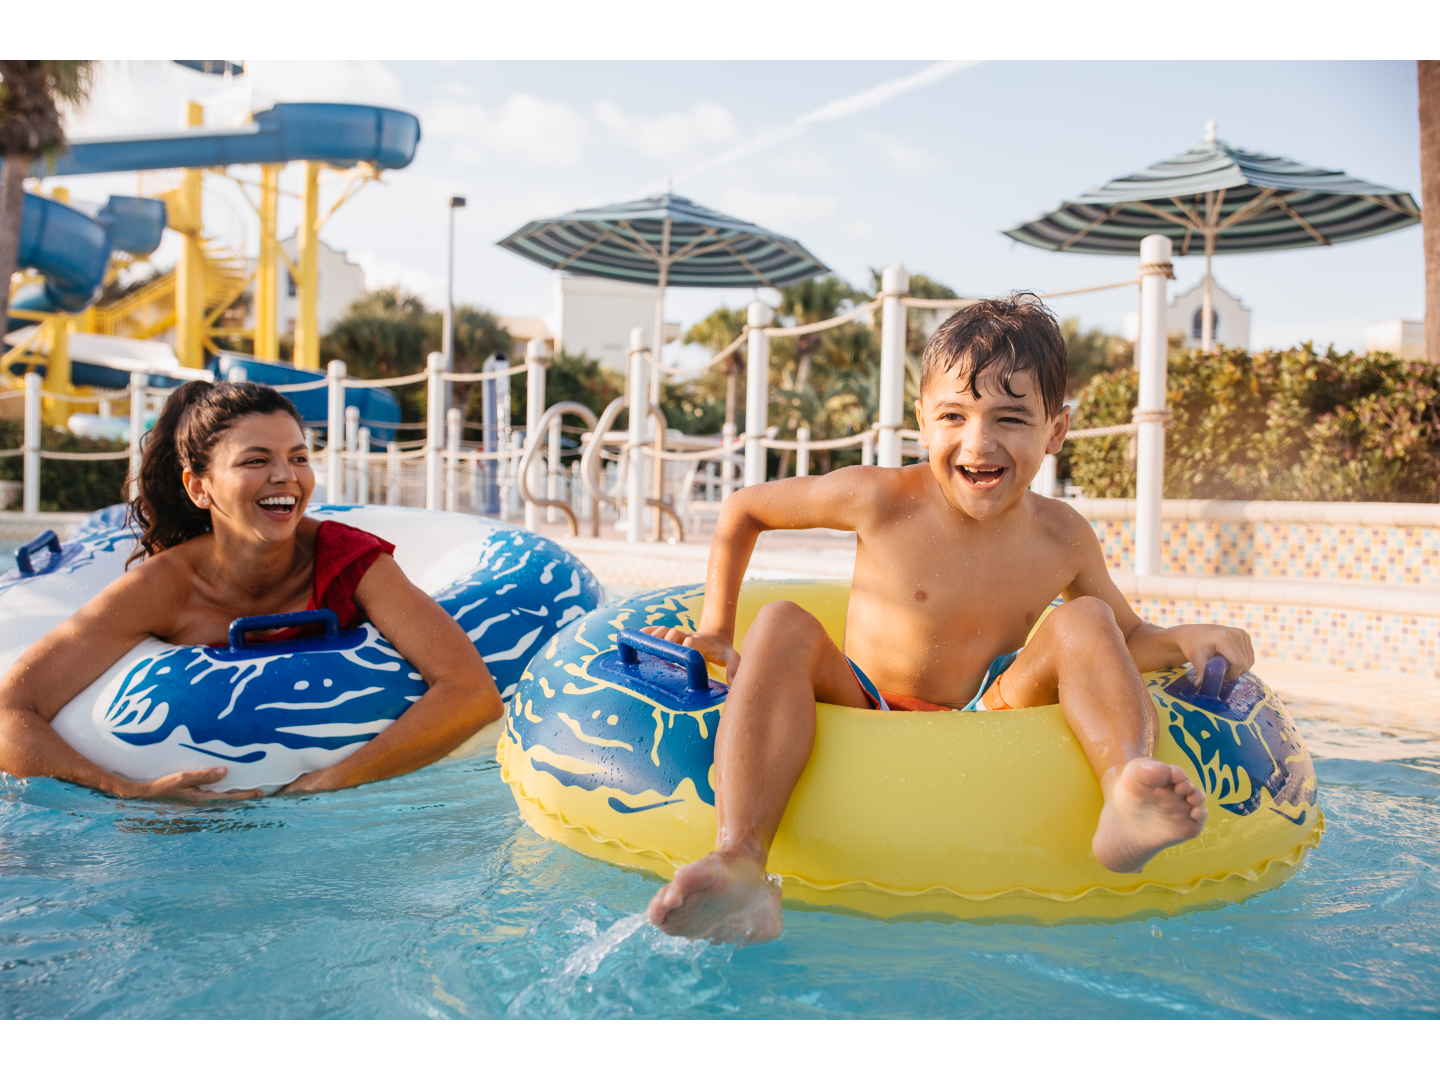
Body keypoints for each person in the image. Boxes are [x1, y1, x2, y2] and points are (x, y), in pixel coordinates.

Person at [642, 294, 1254, 945]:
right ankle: (739, 859)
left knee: (1087, 617)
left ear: (1057, 429)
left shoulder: (1062, 536)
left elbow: (1124, 637)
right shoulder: (879, 499)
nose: (979, 442)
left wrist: (1188, 638)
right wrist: (715, 628)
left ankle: (1124, 788)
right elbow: (743, 509)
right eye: (954, 416)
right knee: (782, 624)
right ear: (922, 423)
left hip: (989, 710)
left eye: (1011, 418)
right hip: (866, 701)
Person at [0, 381, 501, 800]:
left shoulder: (350, 559)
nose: (285, 476)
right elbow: (11, 709)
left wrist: (331, 780)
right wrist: (119, 788)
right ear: (200, 487)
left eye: (298, 457)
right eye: (255, 460)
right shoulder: (163, 587)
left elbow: (472, 692)